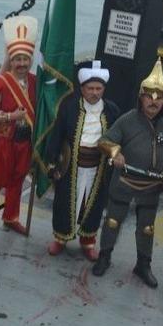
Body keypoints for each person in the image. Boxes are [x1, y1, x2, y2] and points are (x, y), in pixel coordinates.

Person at [93, 58, 163, 287]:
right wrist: (116, 153)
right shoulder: (127, 120)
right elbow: (104, 141)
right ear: (141, 97)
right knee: (112, 221)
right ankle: (104, 256)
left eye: (159, 97)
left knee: (147, 227)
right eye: (149, 96)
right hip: (124, 180)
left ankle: (143, 265)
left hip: (151, 186)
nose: (153, 101)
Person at [44, 60, 121, 260]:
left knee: (93, 205)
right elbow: (57, 135)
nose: (94, 93)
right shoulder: (69, 107)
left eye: (98, 88)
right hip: (71, 167)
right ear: (82, 88)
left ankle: (88, 241)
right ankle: (60, 239)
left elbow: (119, 137)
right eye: (90, 88)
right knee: (64, 203)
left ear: (104, 89)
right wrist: (52, 163)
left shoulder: (112, 110)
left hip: (98, 169)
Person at [0, 16, 38, 243]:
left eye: (25, 59)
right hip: (4, 140)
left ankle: (11, 217)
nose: (21, 63)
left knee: (18, 179)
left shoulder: (35, 82)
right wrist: (11, 117)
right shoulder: (1, 82)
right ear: (11, 60)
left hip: (25, 140)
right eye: (18, 59)